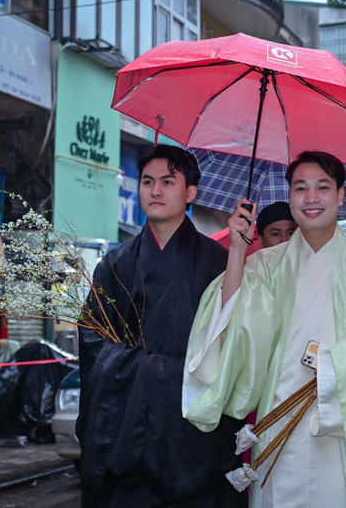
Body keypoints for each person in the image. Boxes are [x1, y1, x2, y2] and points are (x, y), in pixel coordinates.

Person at [183, 151, 346, 507]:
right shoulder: (267, 264)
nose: (311, 198)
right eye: (300, 188)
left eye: (323, 187)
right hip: (280, 423)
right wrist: (237, 253)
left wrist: (339, 364)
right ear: (289, 198)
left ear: (341, 195)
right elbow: (232, 325)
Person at [77, 145, 244, 508]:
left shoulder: (217, 261)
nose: (155, 191)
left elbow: (231, 340)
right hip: (123, 425)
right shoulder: (115, 263)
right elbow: (91, 338)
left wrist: (238, 252)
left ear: (190, 193)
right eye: (148, 181)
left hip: (190, 431)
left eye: (168, 182)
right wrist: (147, 368)